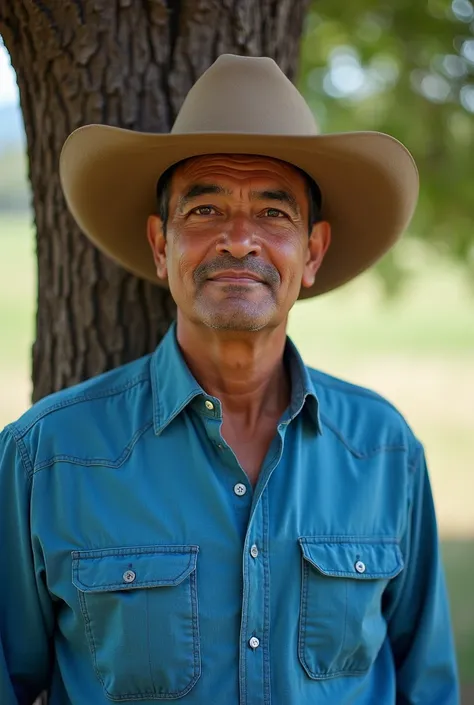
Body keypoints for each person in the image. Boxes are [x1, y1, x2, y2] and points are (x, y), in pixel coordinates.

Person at [0, 54, 458, 705]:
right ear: (162, 245)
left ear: (313, 252)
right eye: (206, 209)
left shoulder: (384, 451)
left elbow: (427, 687)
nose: (239, 240)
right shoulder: (47, 456)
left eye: (273, 214)